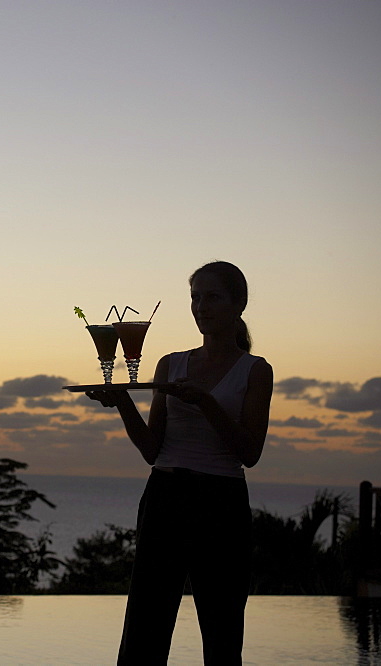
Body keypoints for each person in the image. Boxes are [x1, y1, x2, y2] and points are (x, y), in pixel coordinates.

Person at [87, 260, 274, 665]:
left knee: (222, 632)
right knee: (144, 631)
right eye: (195, 297)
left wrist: (206, 402)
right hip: (165, 497)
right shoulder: (171, 364)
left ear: (238, 303)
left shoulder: (255, 371)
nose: (201, 306)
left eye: (212, 297)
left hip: (220, 502)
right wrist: (122, 403)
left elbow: (250, 453)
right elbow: (153, 450)